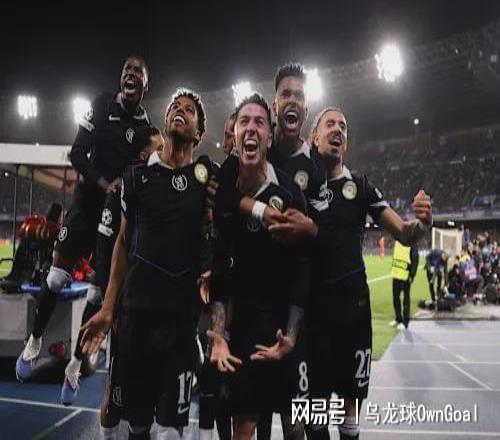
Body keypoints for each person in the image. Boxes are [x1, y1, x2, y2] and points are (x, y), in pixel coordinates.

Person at [270, 107, 432, 440]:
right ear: (314, 137)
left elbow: (405, 233)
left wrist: (423, 222)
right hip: (313, 318)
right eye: (329, 124)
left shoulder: (360, 187)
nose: (337, 130)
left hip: (352, 315)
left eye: (343, 127)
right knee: (314, 420)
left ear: (345, 142)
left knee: (350, 418)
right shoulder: (299, 187)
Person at [80, 89, 213, 440]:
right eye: (174, 107)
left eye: (189, 110)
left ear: (199, 133)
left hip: (180, 325)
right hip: (136, 319)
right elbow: (123, 244)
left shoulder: (206, 178)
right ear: (165, 121)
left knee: (170, 430)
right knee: (137, 425)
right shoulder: (137, 177)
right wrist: (108, 308)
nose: (180, 111)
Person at [16, 55, 151, 382]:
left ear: (146, 86)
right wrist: (105, 184)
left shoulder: (145, 128)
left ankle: (76, 364)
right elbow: (77, 152)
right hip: (87, 204)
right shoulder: (102, 104)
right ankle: (35, 340)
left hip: (112, 214)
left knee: (97, 293)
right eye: (127, 69)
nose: (131, 74)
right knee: (55, 279)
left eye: (138, 71)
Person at [213, 63, 328, 440]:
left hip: (290, 326)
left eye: (258, 123)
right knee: (244, 424)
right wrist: (219, 332)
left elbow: (309, 260)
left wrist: (311, 228)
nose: (251, 129)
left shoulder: (301, 182)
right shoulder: (227, 174)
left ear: (268, 133)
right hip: (243, 327)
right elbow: (221, 260)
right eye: (243, 122)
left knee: (300, 426)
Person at [60, 127, 163, 414]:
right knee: (117, 379)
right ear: (143, 155)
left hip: (146, 296)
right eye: (158, 148)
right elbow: (106, 250)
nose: (164, 152)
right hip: (119, 293)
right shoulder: (120, 191)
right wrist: (112, 302)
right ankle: (76, 364)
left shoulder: (161, 187)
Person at [389, 240, 419, 330]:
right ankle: (398, 318)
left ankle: (405, 322)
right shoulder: (397, 241)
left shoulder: (412, 243)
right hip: (396, 274)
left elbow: (415, 259)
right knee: (395, 298)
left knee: (406, 299)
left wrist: (412, 275)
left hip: (406, 275)